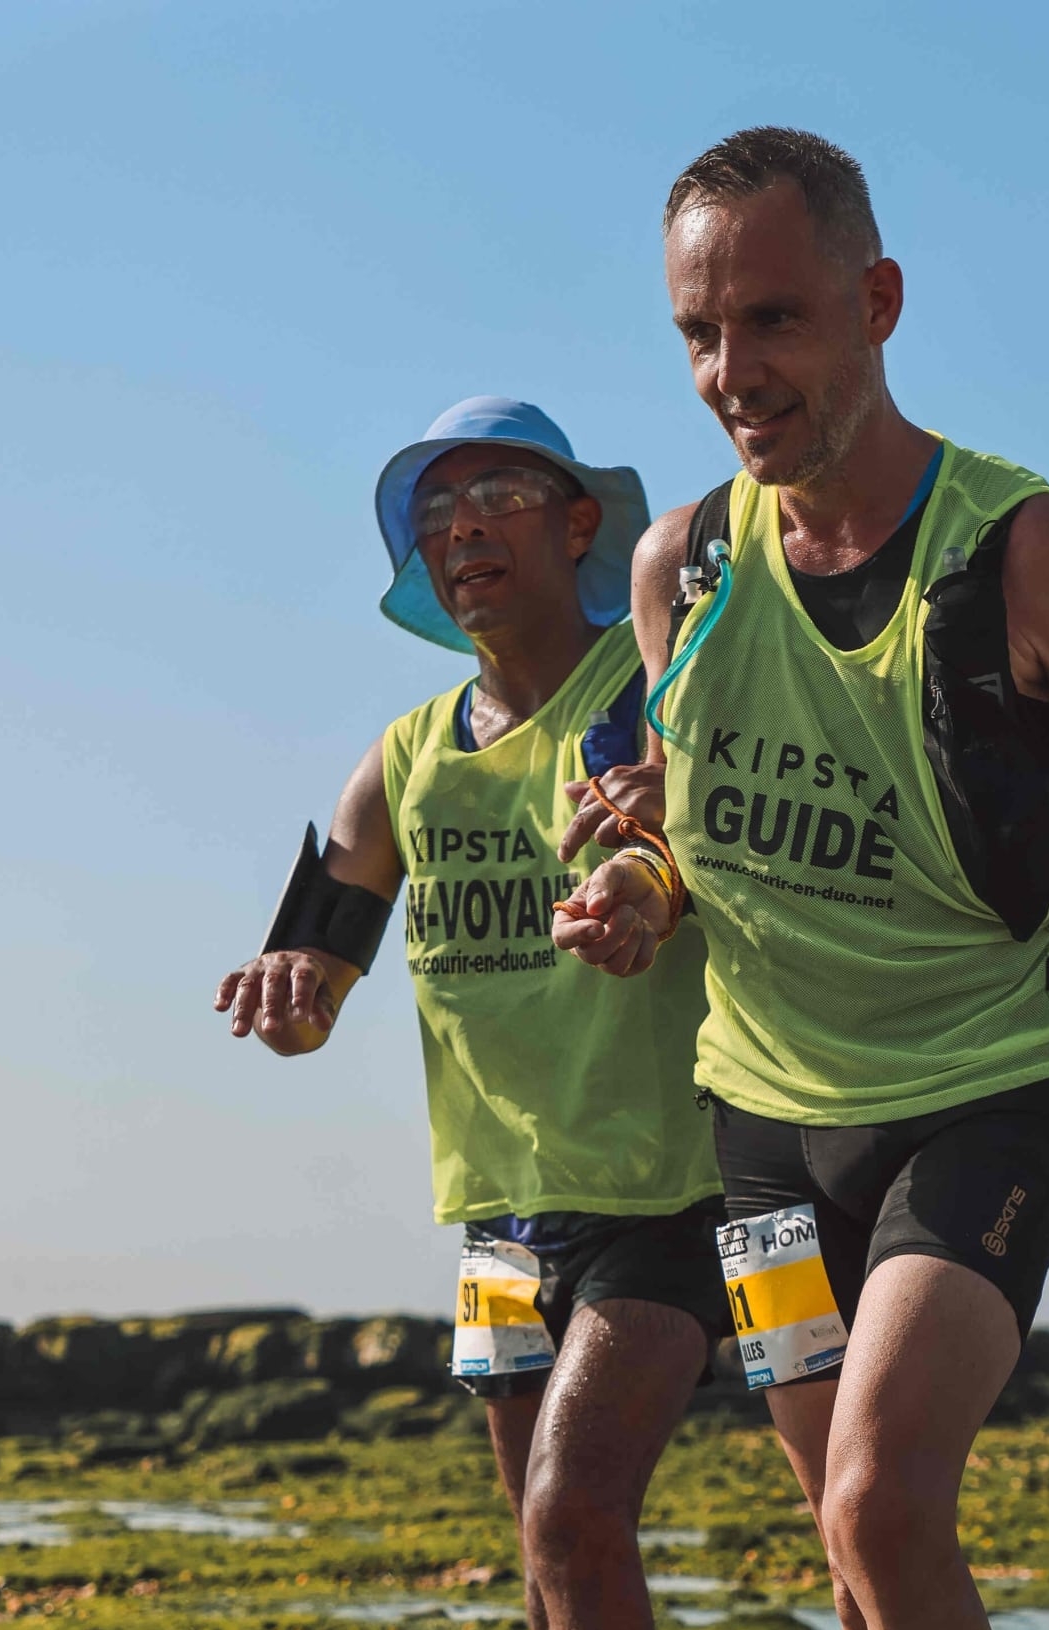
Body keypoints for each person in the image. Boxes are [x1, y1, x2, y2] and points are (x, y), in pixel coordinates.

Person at [554, 129, 1049, 1630]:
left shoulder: (1025, 555)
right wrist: (637, 883)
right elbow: (693, 817)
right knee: (848, 1548)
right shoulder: (684, 570)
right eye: (696, 332)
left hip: (972, 1098)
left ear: (877, 301)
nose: (732, 369)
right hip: (762, 1134)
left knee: (877, 1499)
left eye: (774, 319)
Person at [215, 397, 725, 1630]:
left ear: (578, 525)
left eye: (498, 499)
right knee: (548, 1562)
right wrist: (283, 995)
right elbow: (309, 1006)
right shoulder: (402, 760)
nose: (462, 531)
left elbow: (715, 851)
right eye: (435, 514)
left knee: (571, 1511)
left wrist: (648, 887)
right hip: (497, 1220)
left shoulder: (647, 689)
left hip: (666, 1188)